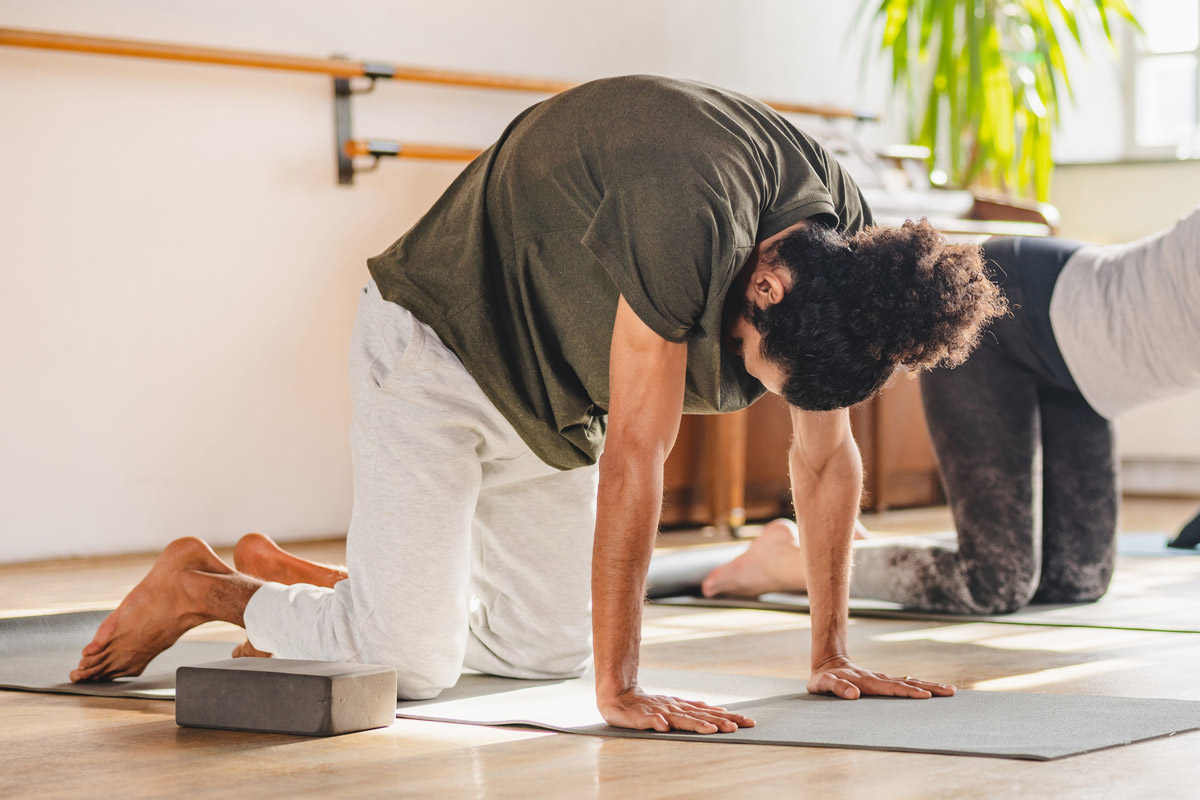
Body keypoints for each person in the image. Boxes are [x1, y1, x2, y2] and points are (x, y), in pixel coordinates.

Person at [70, 75, 1005, 732]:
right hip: (437, 346)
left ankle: (347, 593)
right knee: (419, 668)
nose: (725, 364)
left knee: (545, 650)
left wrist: (830, 653)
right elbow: (639, 453)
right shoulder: (687, 206)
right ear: (765, 282)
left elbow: (826, 456)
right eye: (742, 354)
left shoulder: (837, 253)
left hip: (553, 401)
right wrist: (624, 689)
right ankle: (205, 589)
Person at [703, 204, 1200, 615]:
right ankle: (788, 561)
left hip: (1083, 368)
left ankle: (844, 546)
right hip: (1011, 317)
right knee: (993, 585)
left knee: (1077, 581)